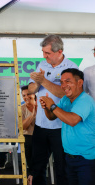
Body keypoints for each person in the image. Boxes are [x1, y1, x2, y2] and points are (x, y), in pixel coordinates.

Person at [28, 34, 78, 185]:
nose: (44, 56)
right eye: (43, 52)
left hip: (61, 126)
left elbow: (65, 93)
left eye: (48, 53)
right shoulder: (42, 65)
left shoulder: (71, 68)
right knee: (38, 167)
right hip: (41, 124)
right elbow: (30, 89)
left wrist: (43, 80)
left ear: (59, 52)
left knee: (62, 167)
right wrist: (37, 84)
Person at [40, 68, 95, 185]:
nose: (63, 85)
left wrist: (53, 106)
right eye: (61, 82)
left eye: (68, 81)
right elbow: (52, 116)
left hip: (86, 159)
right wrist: (46, 107)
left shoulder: (85, 101)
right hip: (70, 157)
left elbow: (72, 120)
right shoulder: (65, 99)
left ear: (80, 83)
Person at [21, 85, 37, 175]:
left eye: (28, 94)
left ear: (34, 94)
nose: (26, 97)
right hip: (28, 136)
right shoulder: (21, 108)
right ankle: (32, 172)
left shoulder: (41, 105)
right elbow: (23, 127)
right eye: (24, 95)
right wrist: (32, 115)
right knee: (29, 142)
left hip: (41, 135)